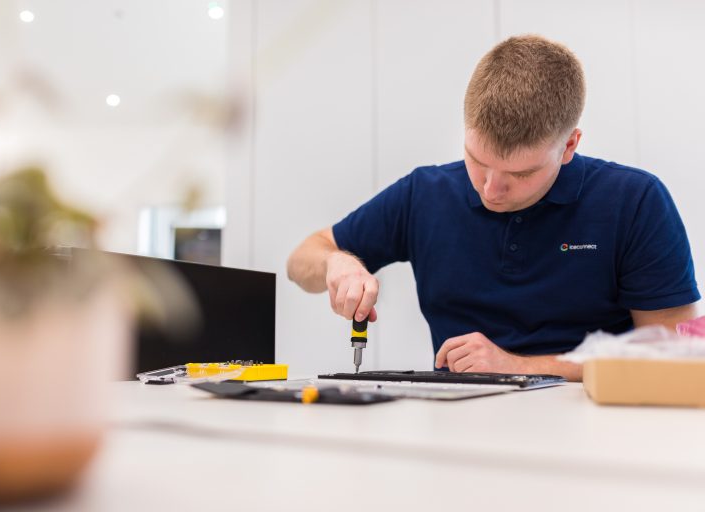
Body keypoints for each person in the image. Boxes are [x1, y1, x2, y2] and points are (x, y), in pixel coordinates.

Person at [286, 35, 700, 381]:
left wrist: (518, 367)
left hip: (595, 424)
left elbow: (674, 358)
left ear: (569, 145)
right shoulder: (423, 194)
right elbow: (301, 261)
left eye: (520, 174)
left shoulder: (634, 201)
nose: (491, 189)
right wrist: (337, 263)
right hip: (458, 428)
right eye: (477, 161)